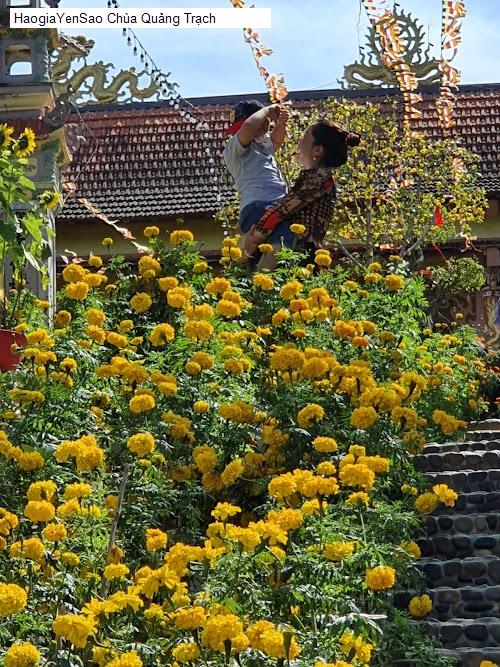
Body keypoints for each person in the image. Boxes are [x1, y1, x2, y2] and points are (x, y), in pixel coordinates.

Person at [242, 120, 360, 268]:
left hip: (298, 255)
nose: (300, 141)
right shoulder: (315, 178)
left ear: (317, 150)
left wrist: (254, 238)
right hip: (301, 254)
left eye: (305, 136)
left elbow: (281, 211)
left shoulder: (318, 180)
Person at [222, 99, 291, 253]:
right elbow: (248, 127)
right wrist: (267, 110)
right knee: (284, 243)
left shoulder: (261, 143)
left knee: (274, 247)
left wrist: (281, 123)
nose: (238, 132)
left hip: (274, 203)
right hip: (259, 204)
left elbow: (276, 141)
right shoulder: (234, 147)